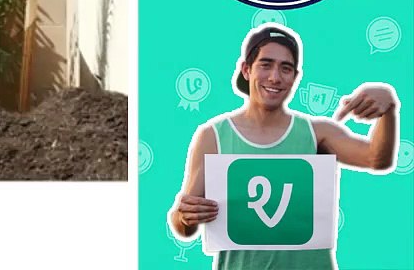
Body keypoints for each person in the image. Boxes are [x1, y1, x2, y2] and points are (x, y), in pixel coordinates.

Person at [169, 24, 400, 269]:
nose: (275, 77)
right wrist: (183, 216)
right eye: (265, 64)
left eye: (286, 68)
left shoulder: (317, 134)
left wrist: (388, 108)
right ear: (246, 70)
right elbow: (184, 225)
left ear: (295, 77)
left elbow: (377, 159)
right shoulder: (213, 136)